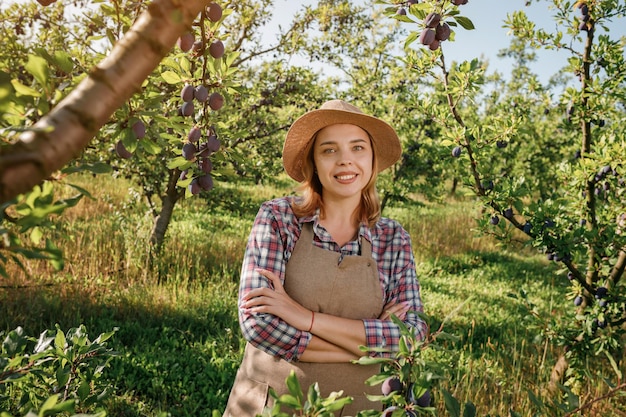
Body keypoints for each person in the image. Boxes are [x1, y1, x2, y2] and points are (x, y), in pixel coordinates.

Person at [222, 99, 428, 417]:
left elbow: (411, 336)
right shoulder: (278, 219)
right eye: (329, 150)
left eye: (357, 148)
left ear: (372, 160)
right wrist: (370, 348)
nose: (345, 161)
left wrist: (304, 318)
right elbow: (259, 323)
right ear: (314, 163)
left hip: (360, 410)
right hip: (271, 406)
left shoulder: (392, 238)